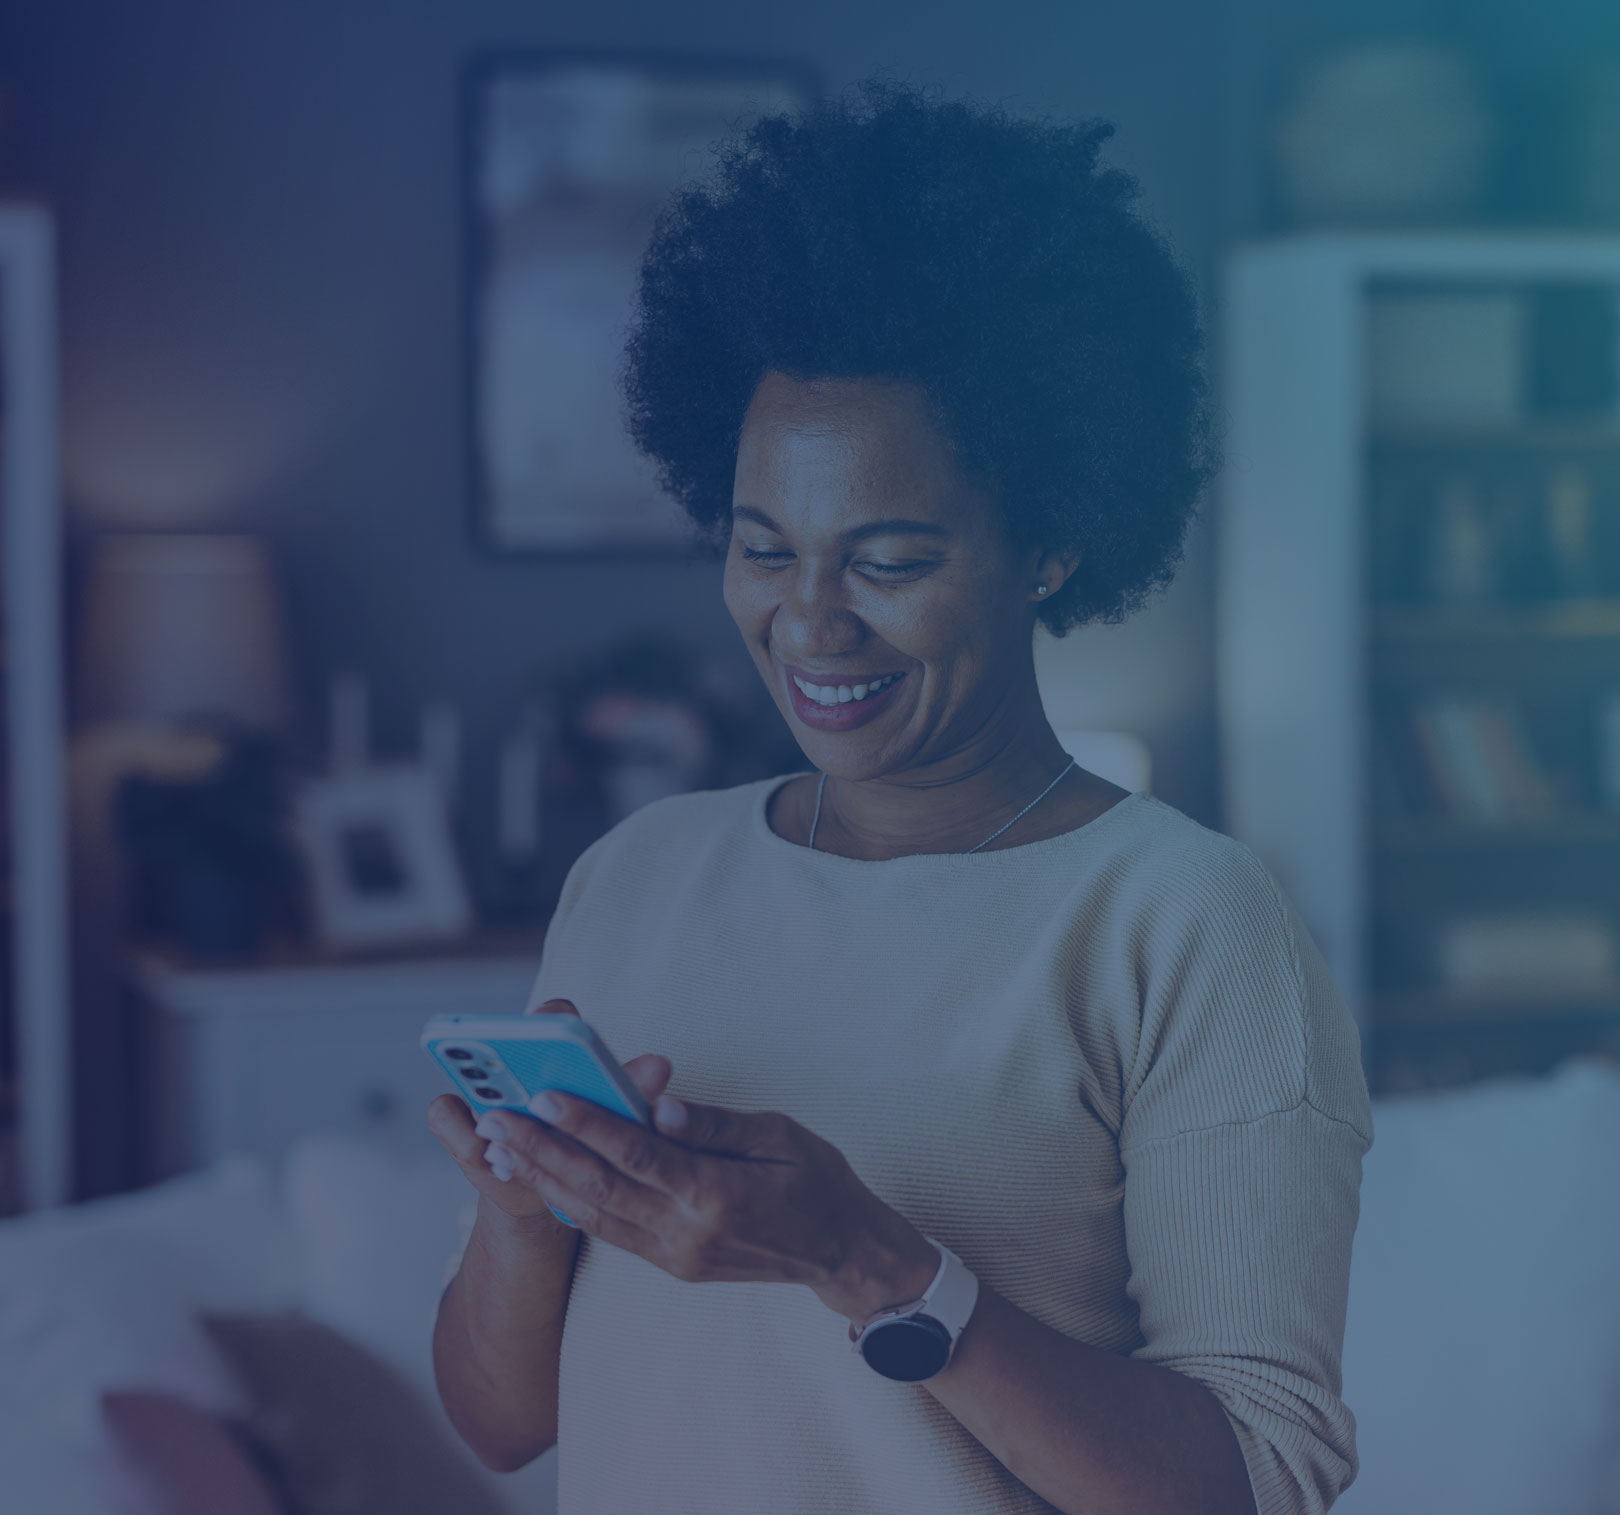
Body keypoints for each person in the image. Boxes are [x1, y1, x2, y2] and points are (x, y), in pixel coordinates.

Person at [428, 80, 1372, 1515]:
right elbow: (501, 1426)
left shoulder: (1185, 926)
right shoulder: (637, 875)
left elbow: (1248, 1484)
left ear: (1047, 543)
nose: (808, 624)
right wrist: (519, 1218)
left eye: (886, 560)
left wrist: (865, 1262)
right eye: (762, 547)